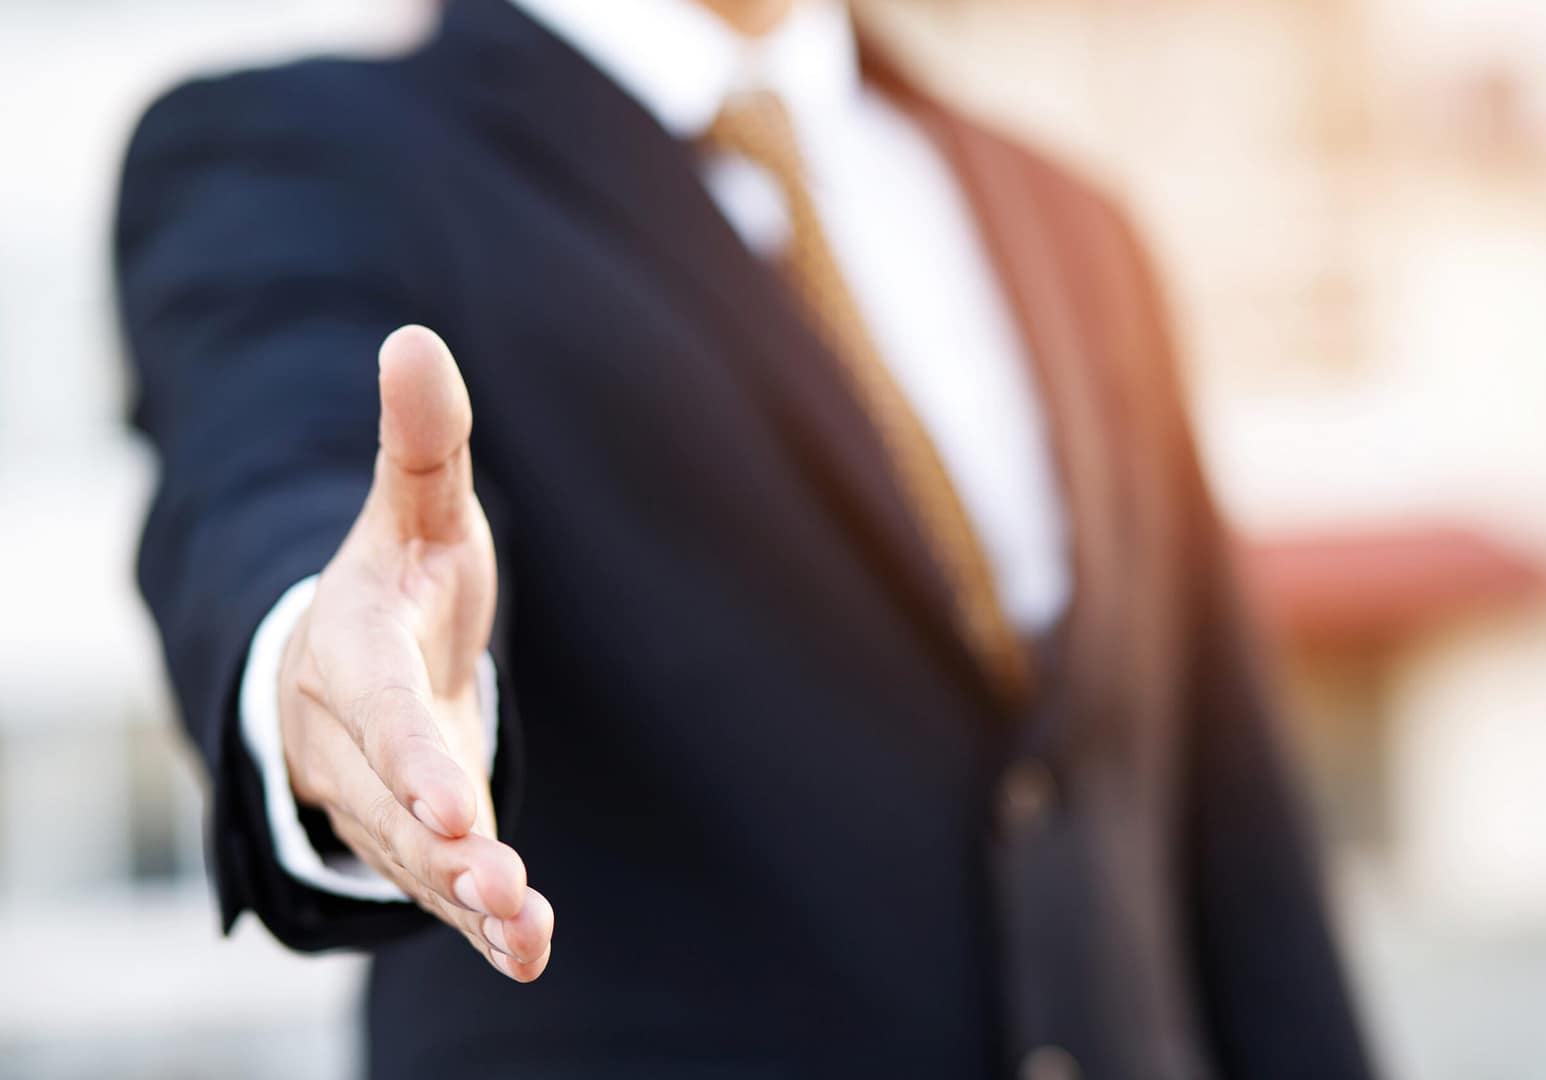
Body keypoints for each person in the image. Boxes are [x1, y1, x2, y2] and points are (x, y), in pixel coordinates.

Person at [116, 0, 1377, 1076]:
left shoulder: (1074, 224)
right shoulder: (299, 154)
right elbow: (280, 461)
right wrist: (328, 658)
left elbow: (1234, 835)